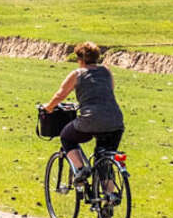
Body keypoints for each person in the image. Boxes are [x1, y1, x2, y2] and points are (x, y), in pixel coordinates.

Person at [42, 41, 125, 193]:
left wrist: (49, 107)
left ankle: (81, 170)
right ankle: (109, 198)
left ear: (80, 59)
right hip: (115, 121)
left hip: (90, 120)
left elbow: (60, 95)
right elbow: (109, 89)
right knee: (104, 160)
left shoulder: (77, 74)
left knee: (66, 137)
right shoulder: (106, 71)